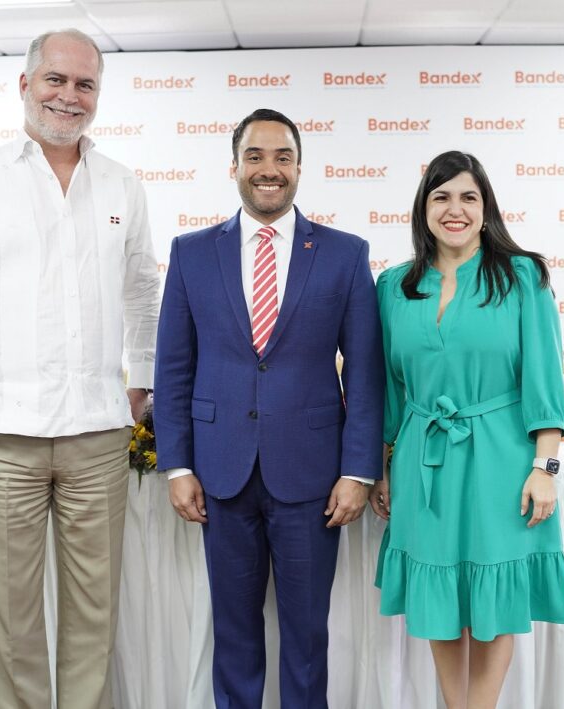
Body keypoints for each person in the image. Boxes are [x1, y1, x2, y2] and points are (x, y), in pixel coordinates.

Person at [0, 29, 159, 709]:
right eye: (56, 79)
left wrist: (143, 378)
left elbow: (143, 293)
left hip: (98, 434)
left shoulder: (122, 184)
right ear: (25, 85)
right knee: (14, 626)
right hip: (2, 437)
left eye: (85, 84)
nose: (69, 96)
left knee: (95, 620)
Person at [154, 108, 384, 709]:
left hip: (312, 478)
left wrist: (358, 471)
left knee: (307, 638)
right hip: (220, 475)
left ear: (299, 167)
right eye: (254, 156)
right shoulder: (191, 253)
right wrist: (177, 466)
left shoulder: (344, 254)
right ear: (233, 166)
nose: (269, 169)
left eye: (283, 157)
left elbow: (365, 373)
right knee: (233, 635)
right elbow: (173, 369)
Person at [370, 151, 564, 708]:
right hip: (422, 460)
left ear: (486, 209)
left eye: (468, 197)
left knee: (494, 596)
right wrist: (381, 466)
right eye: (441, 197)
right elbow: (388, 387)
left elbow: (544, 382)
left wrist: (545, 467)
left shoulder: (523, 277)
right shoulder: (393, 286)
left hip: (501, 459)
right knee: (438, 595)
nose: (454, 209)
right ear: (424, 209)